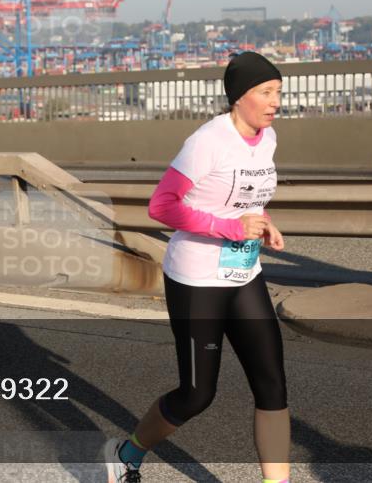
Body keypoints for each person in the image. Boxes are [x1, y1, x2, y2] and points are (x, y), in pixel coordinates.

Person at [105, 52, 290, 483]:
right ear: (239, 96)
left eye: (278, 92)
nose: (275, 102)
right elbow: (161, 206)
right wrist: (230, 228)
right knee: (196, 394)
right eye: (266, 92)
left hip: (243, 274)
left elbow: (247, 197)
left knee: (272, 386)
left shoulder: (267, 138)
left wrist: (263, 222)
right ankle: (127, 454)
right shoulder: (207, 141)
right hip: (197, 279)